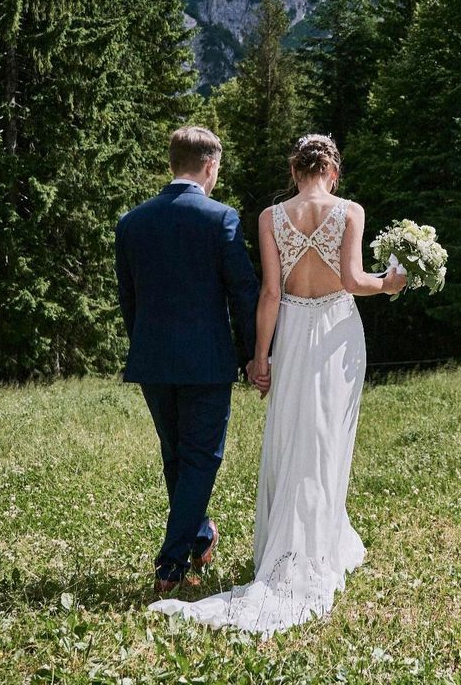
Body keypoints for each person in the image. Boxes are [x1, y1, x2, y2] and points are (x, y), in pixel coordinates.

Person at [148, 133, 406, 634]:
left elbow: (269, 292)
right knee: (328, 438)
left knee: (289, 438)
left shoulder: (270, 218)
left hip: (290, 332)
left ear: (294, 172)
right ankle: (320, 544)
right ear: (332, 172)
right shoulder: (349, 210)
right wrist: (390, 283)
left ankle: (285, 545)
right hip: (336, 333)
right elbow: (353, 280)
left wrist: (259, 358)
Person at [114, 126, 260, 594]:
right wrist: (254, 352)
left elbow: (128, 299)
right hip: (206, 361)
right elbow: (243, 293)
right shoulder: (221, 219)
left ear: (172, 162)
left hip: (153, 358)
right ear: (210, 166)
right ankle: (171, 564)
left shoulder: (131, 222)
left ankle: (200, 534)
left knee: (177, 457)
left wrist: (145, 345)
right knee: (199, 459)